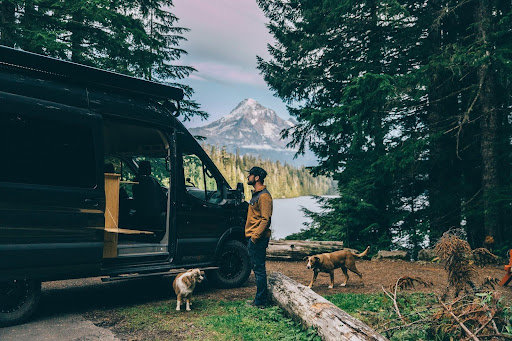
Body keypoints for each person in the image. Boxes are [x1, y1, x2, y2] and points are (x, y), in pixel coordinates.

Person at [245, 166, 273, 308]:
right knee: (257, 269)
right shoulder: (256, 194)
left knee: (259, 269)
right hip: (253, 236)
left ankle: (261, 302)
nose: (248, 177)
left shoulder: (264, 196)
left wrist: (255, 237)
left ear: (257, 178)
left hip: (258, 238)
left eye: (250, 175)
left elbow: (265, 219)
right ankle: (258, 299)